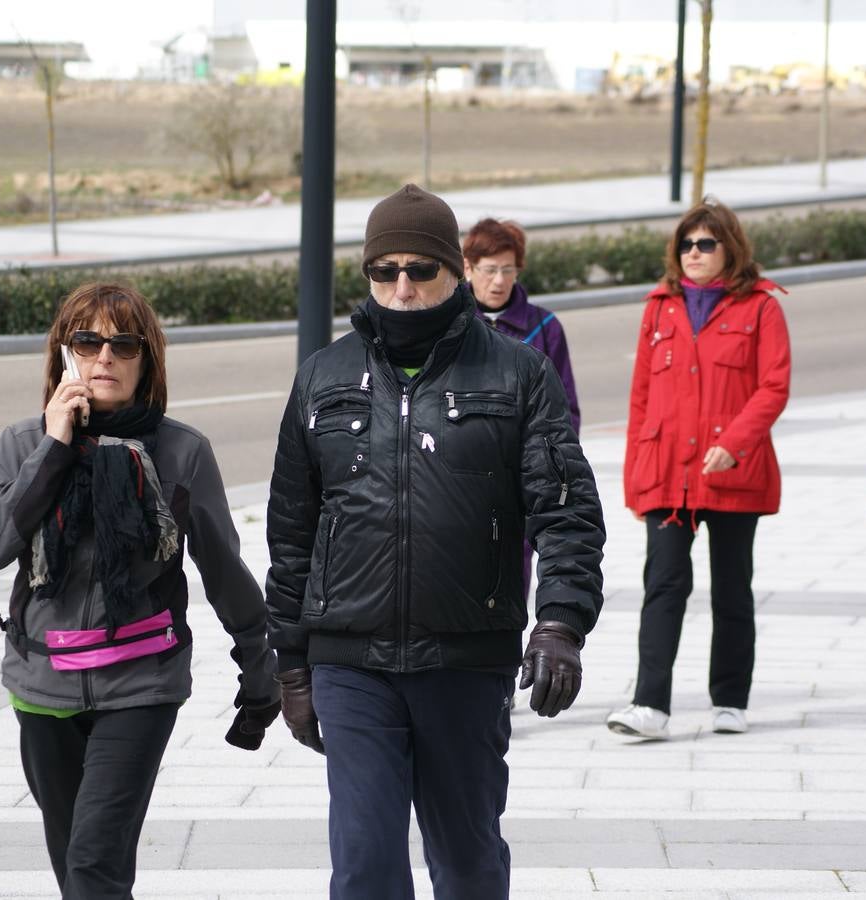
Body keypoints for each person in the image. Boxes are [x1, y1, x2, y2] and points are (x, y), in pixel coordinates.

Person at [264, 184, 605, 900]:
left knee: (468, 863)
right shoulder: (323, 378)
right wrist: (290, 665)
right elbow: (292, 536)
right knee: (364, 865)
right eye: (384, 271)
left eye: (420, 270)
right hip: (351, 665)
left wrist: (560, 623)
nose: (403, 287)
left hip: (466, 660)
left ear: (453, 271)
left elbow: (566, 510)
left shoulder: (517, 374)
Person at [0, 282, 280, 898]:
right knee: (76, 865)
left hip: (140, 685)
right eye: (87, 340)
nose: (105, 356)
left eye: (123, 343)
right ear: (63, 355)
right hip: (41, 685)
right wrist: (54, 448)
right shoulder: (24, 445)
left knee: (94, 866)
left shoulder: (182, 452)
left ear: (146, 360)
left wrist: (260, 667)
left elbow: (223, 569)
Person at [606, 200, 791, 741]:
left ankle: (731, 699)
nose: (694, 254)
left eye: (705, 244)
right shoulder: (658, 309)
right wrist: (636, 480)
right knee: (662, 584)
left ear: (728, 248)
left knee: (733, 588)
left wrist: (734, 443)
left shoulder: (760, 308)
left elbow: (773, 386)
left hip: (734, 473)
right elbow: (640, 399)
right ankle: (650, 706)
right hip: (667, 474)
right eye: (686, 244)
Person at [463, 216, 582, 598]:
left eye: (508, 269)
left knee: (511, 595)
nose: (499, 280)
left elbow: (565, 414)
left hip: (520, 490)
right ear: (468, 268)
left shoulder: (544, 328)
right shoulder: (453, 325)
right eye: (490, 269)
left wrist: (546, 476)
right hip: (459, 487)